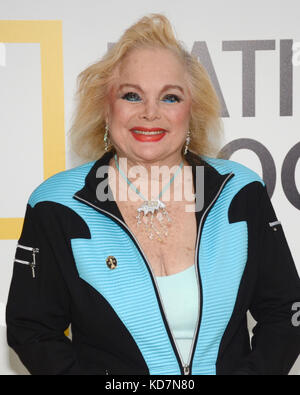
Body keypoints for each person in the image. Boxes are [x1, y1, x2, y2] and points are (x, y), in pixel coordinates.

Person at [6, 14, 300, 375]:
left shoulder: (240, 190)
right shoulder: (54, 204)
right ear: (105, 106)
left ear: (191, 110)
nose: (150, 113)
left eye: (170, 97)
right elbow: (31, 329)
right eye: (132, 95)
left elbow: (286, 311)